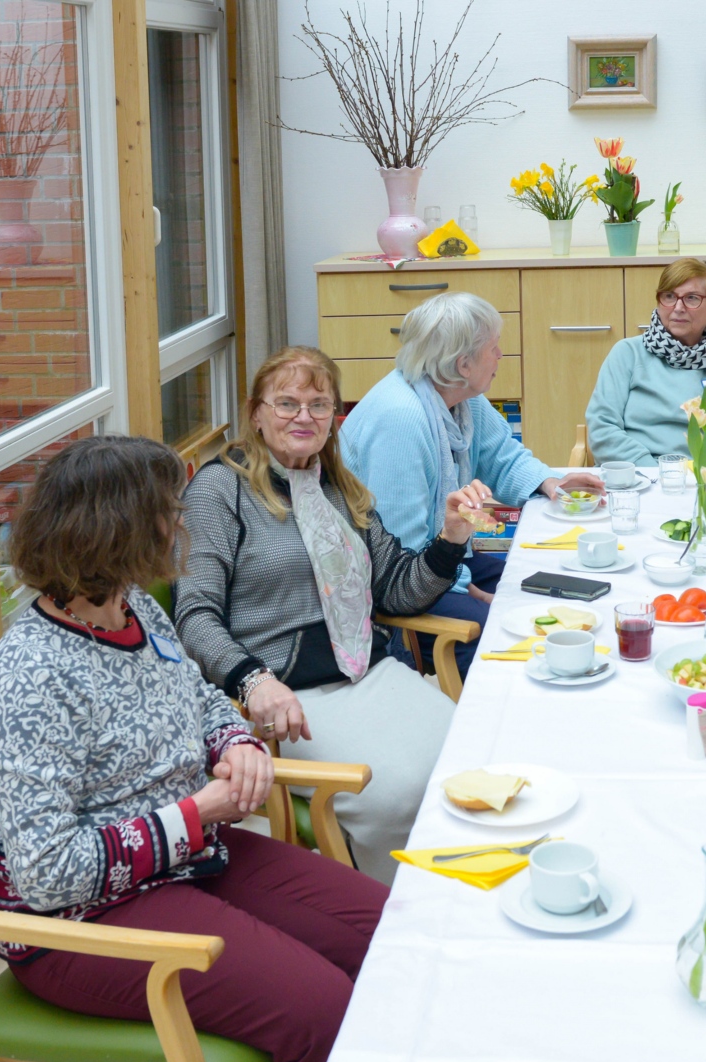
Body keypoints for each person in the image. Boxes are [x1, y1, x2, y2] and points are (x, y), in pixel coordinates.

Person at [0, 435, 385, 1062]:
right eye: (168, 512)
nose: (182, 524)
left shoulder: (138, 611)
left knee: (392, 936)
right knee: (322, 1008)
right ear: (116, 531)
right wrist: (194, 813)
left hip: (185, 859)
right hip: (77, 924)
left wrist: (236, 744)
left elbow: (195, 697)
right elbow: (46, 875)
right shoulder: (31, 675)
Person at [177, 345, 489, 885]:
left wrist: (450, 538)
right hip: (289, 695)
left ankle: (460, 896)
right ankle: (391, 912)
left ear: (334, 418)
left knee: (477, 762)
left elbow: (397, 591)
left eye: (319, 404)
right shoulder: (220, 489)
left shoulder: (338, 486)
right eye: (287, 403)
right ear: (256, 413)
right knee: (395, 794)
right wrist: (253, 682)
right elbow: (195, 615)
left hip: (367, 671)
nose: (304, 416)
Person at [339, 292, 603, 677]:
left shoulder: (459, 397)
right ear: (463, 364)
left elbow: (503, 455)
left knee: (555, 586)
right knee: (515, 643)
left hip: (447, 558)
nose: (500, 356)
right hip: (399, 592)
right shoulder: (401, 420)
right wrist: (468, 589)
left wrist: (552, 482)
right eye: (494, 348)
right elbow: (400, 558)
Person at [585, 257, 706, 466]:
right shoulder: (627, 353)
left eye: (691, 298)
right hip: (642, 479)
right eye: (669, 296)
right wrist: (662, 476)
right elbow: (602, 431)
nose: (678, 307)